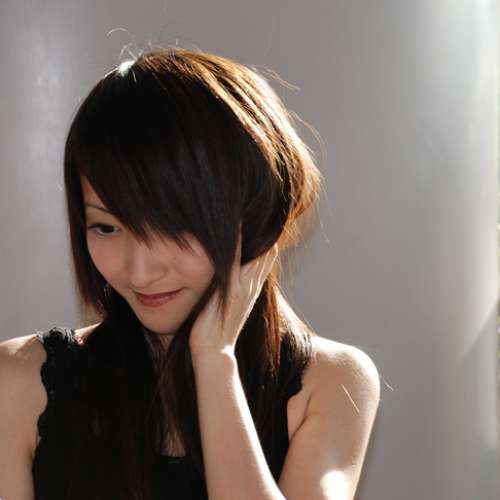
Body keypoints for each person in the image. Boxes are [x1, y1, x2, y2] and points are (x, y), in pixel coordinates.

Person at [0, 46, 380, 500]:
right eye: (106, 227)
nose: (140, 271)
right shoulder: (19, 382)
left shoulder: (330, 382)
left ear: (256, 219)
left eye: (172, 226)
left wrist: (215, 359)